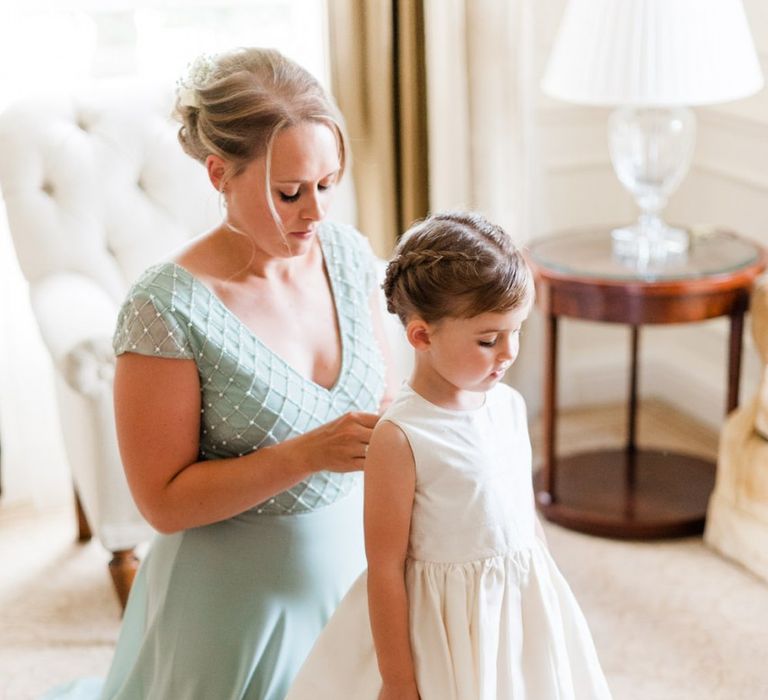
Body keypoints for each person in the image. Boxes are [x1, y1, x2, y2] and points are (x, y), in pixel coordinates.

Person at [43, 47, 396, 700]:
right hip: (233, 613)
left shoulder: (346, 256)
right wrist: (307, 454)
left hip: (356, 582)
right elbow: (163, 503)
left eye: (327, 185)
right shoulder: (166, 306)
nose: (315, 215)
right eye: (289, 193)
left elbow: (386, 406)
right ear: (218, 174)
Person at [286, 211, 613, 700]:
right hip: (443, 626)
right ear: (421, 336)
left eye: (516, 331)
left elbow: (523, 517)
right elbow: (385, 568)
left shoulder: (508, 405)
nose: (508, 353)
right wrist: (399, 681)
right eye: (488, 339)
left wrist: (547, 599)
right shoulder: (401, 437)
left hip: (518, 605)